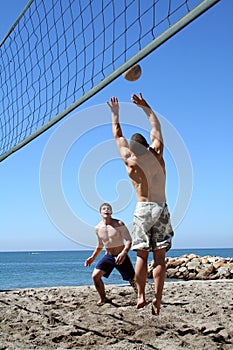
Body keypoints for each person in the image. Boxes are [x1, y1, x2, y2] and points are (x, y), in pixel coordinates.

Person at [107, 93, 174, 315]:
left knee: (142, 257)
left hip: (142, 209)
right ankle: (159, 298)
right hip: (161, 208)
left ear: (133, 147)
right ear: (146, 145)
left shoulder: (130, 161)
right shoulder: (157, 156)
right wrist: (147, 108)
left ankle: (141, 296)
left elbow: (118, 136)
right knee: (160, 258)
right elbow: (157, 129)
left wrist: (115, 115)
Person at [85, 202, 136, 305]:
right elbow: (100, 245)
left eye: (108, 208)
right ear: (100, 212)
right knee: (95, 276)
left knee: (132, 280)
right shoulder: (97, 228)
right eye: (104, 209)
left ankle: (140, 296)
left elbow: (129, 240)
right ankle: (103, 298)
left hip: (121, 256)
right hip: (108, 256)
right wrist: (93, 257)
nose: (106, 210)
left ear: (111, 212)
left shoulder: (119, 224)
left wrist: (124, 253)